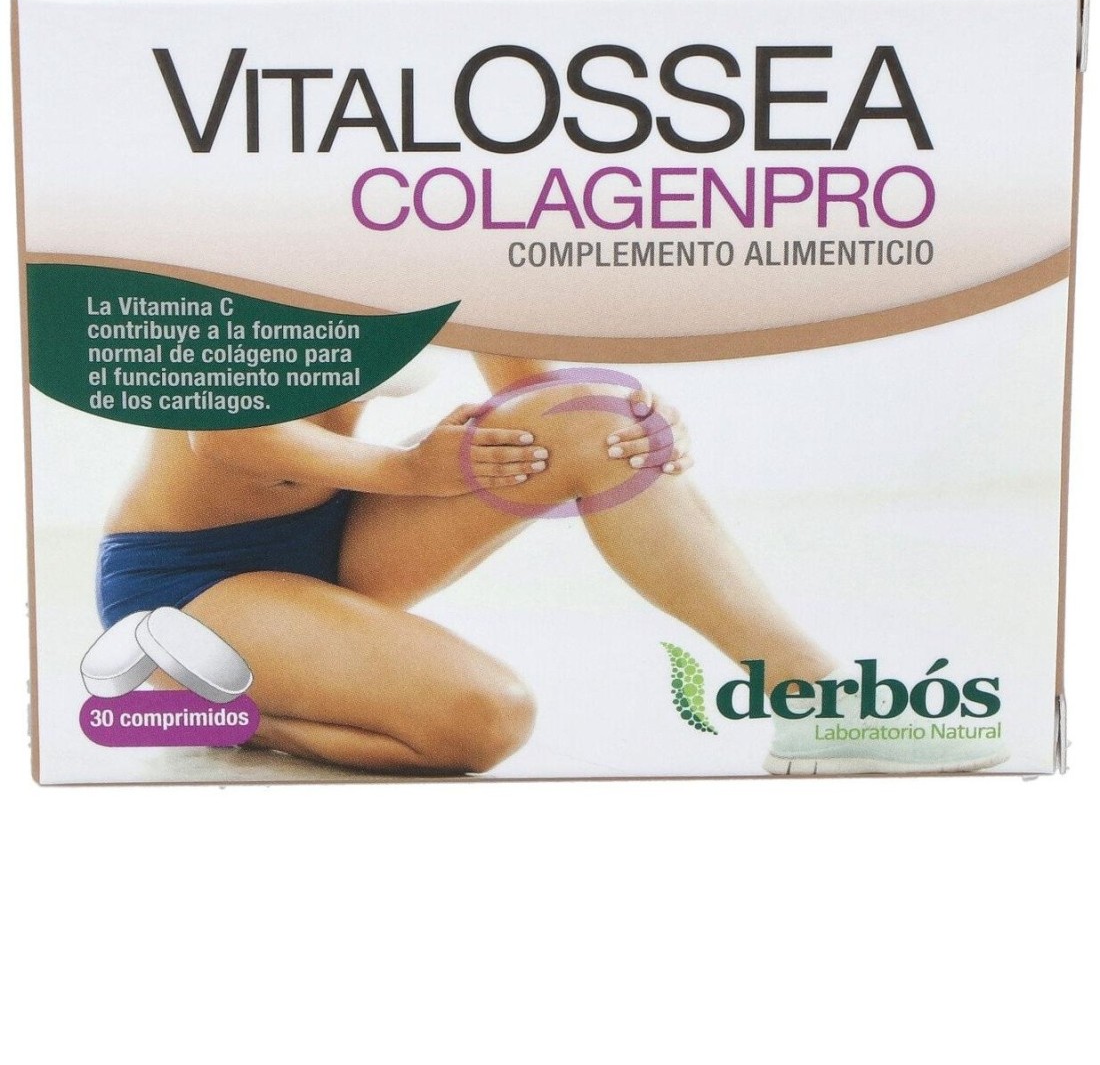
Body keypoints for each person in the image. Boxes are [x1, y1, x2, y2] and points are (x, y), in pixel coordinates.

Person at [95, 354, 1004, 776]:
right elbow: (221, 432)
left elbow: (532, 390)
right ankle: (224, 710)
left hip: (341, 533)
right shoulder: (257, 226)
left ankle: (813, 700)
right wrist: (405, 470)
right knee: (483, 721)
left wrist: (628, 422)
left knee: (598, 419)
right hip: (187, 587)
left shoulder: (448, 229)